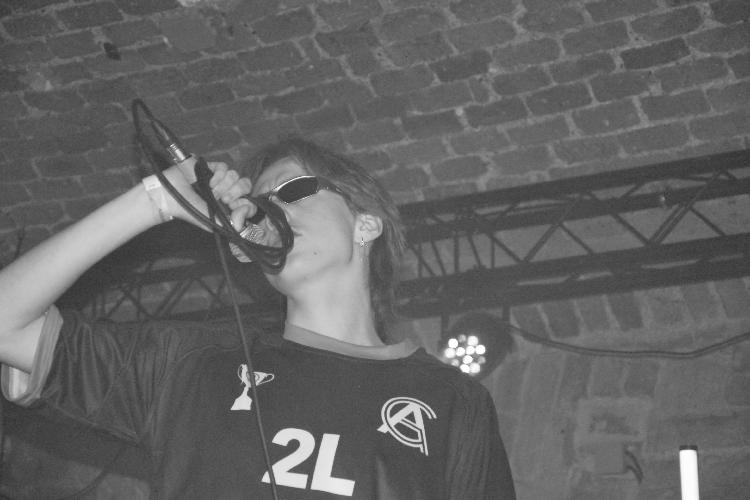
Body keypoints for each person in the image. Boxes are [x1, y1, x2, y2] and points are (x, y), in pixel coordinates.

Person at [0, 136, 516, 499]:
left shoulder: (451, 399)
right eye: (262, 206)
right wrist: (156, 200)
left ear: (366, 224)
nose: (274, 212)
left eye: (294, 191)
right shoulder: (191, 365)